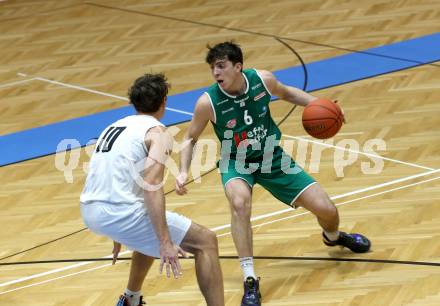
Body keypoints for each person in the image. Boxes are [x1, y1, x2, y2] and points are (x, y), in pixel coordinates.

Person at [175, 42, 371, 306]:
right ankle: (250, 279)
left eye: (220, 66)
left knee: (327, 210)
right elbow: (190, 138)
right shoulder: (207, 102)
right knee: (240, 203)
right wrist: (183, 170)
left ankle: (334, 237)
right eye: (212, 68)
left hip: (271, 156)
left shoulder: (262, 80)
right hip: (237, 162)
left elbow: (289, 93)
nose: (216, 73)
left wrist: (325, 106)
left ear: (238, 66)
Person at [80, 73, 224, 306]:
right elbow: (151, 185)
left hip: (90, 209)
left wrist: (118, 231)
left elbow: (106, 173)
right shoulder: (158, 133)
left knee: (150, 230)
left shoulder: (113, 127)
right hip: (119, 212)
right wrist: (166, 242)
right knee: (206, 241)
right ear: (164, 101)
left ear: (133, 102)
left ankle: (131, 299)